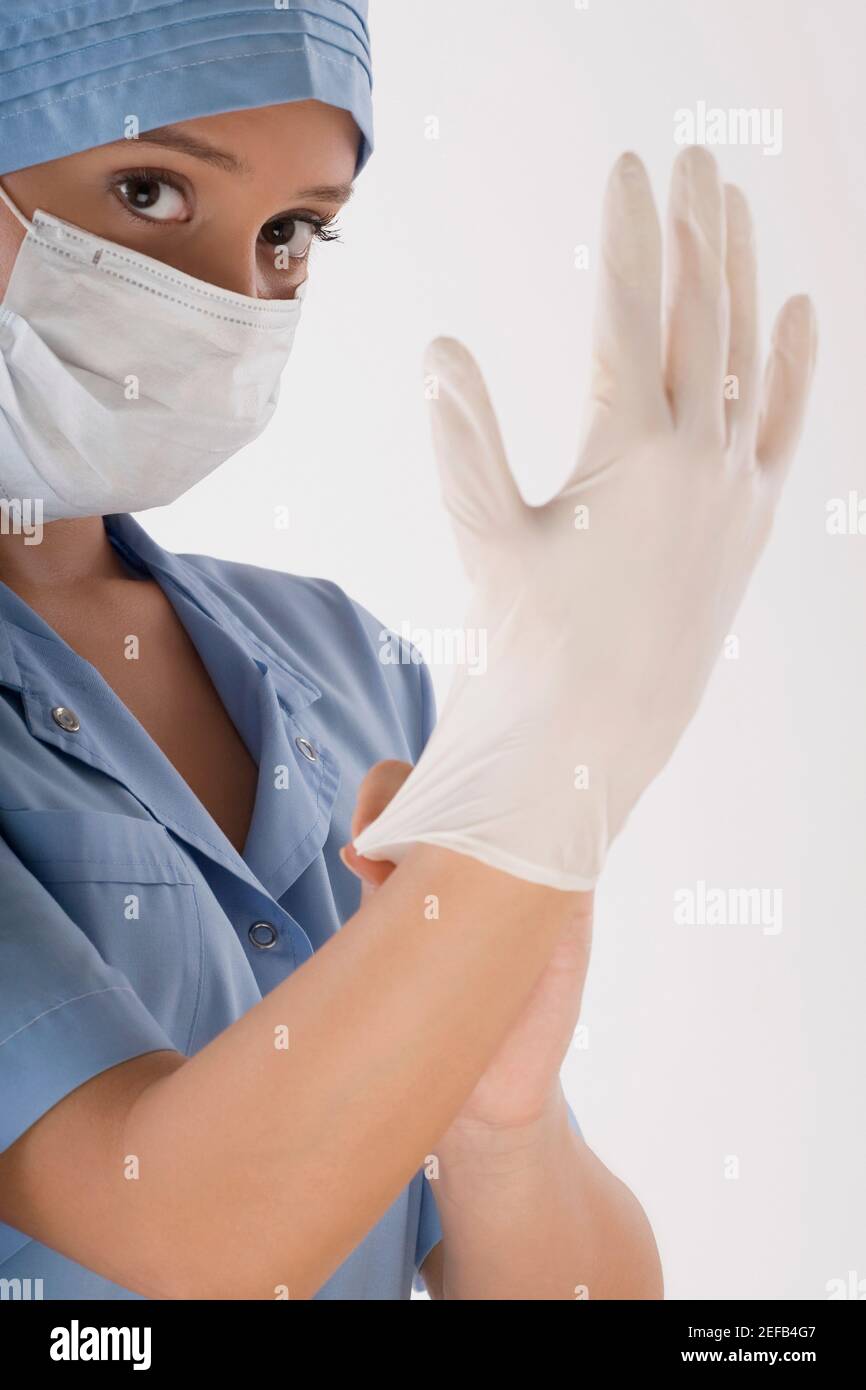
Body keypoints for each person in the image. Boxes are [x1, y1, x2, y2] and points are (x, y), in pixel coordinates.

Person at [0, 1, 814, 1301]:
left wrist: (500, 1122)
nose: (231, 302)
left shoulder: (339, 658)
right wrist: (568, 734)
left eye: (292, 232)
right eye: (147, 191)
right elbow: (191, 1232)